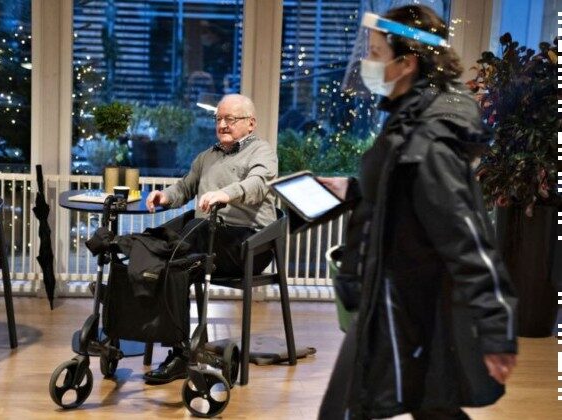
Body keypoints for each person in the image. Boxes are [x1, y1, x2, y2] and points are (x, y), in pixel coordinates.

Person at [318, 5, 517, 420]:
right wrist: (355, 190)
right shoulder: (408, 118)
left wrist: (496, 332)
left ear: (407, 63)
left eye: (376, 53)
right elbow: (404, 191)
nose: (367, 62)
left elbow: (467, 240)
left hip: (409, 306)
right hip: (390, 299)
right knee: (428, 408)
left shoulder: (430, 141)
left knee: (369, 408)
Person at [143, 93, 277, 384]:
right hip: (208, 237)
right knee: (157, 243)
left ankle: (182, 354)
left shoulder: (262, 152)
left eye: (231, 119)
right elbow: (185, 187)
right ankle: (177, 348)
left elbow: (257, 184)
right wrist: (164, 196)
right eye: (219, 119)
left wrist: (225, 194)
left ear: (251, 123)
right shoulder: (207, 156)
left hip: (249, 244)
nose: (223, 124)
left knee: (187, 237)